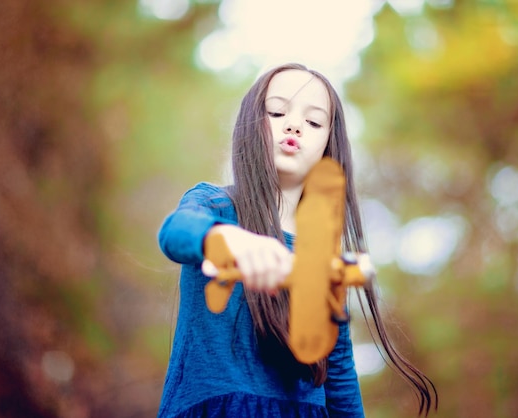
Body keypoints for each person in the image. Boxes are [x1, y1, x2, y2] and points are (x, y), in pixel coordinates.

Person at [157, 63, 437, 417]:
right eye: (277, 111)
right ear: (249, 126)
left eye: (314, 121)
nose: (294, 125)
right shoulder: (215, 206)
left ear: (327, 145)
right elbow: (175, 232)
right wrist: (226, 238)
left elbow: (340, 382)